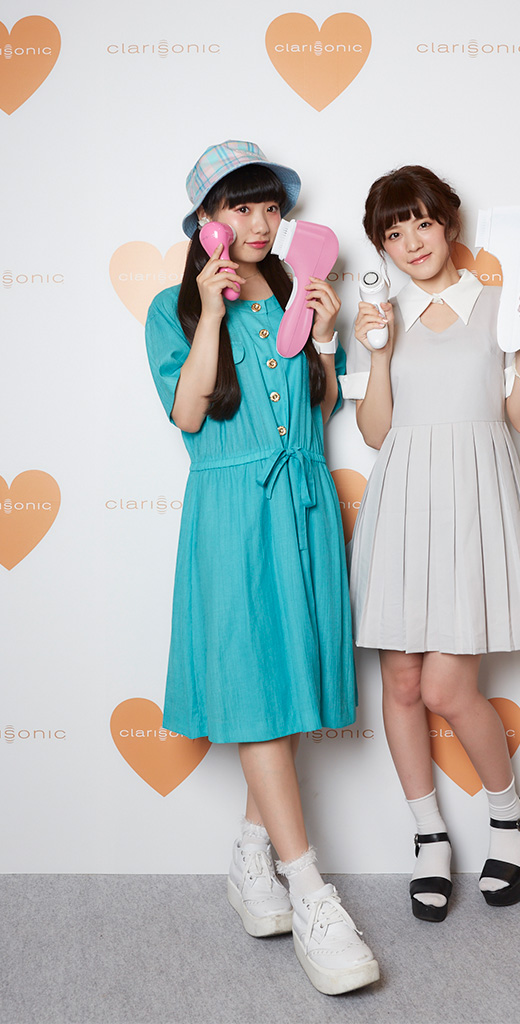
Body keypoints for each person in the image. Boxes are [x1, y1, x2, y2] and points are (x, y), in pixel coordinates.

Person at [145, 139, 379, 994]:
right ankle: (310, 890)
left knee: (283, 687)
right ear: (205, 222)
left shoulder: (293, 290)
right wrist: (210, 315)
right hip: (233, 510)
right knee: (253, 690)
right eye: (239, 207)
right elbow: (189, 413)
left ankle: (251, 857)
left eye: (270, 206)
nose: (258, 221)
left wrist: (326, 337)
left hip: (305, 503)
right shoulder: (171, 308)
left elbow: (322, 404)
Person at [346, 165, 520, 921]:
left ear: (449, 226)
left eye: (422, 224)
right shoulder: (383, 314)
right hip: (401, 503)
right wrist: (376, 352)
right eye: (393, 233)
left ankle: (509, 816)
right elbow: (375, 432)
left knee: (445, 689)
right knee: (401, 682)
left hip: (472, 503)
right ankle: (428, 836)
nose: (411, 243)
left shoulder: (501, 303)